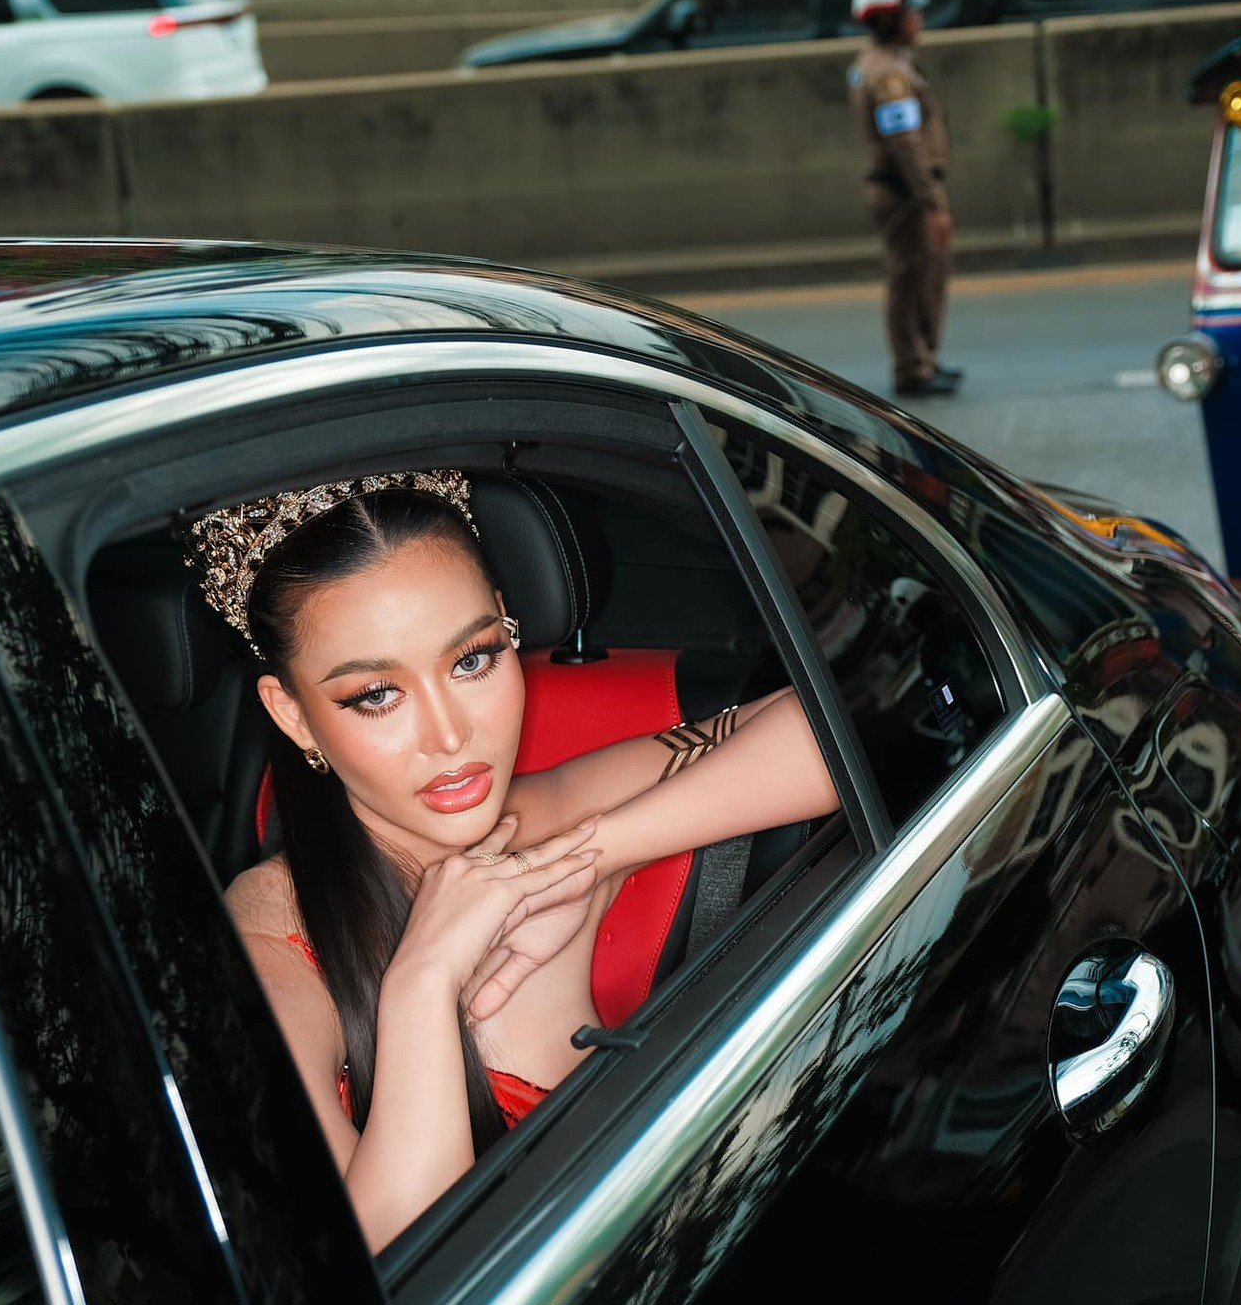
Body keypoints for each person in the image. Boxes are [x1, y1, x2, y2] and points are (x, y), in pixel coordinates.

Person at [185, 468, 841, 1252]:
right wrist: (421, 983)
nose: (450, 735)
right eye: (375, 696)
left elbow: (833, 733)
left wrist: (588, 858)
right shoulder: (269, 950)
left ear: (508, 626)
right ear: (292, 714)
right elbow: (385, 1263)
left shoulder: (540, 821)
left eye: (471, 660)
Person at [849, 0, 960, 398]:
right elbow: (905, 144)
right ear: (891, 22)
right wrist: (930, 200)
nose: (920, 19)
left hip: (908, 188)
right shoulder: (888, 75)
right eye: (912, 13)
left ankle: (923, 359)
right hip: (905, 192)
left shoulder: (890, 60)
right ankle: (913, 367)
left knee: (924, 274)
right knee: (911, 276)